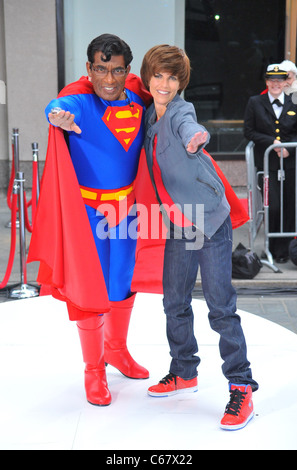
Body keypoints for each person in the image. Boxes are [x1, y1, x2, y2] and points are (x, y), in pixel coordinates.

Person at [28, 34, 152, 407]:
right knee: (90, 288)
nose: (109, 79)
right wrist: (55, 115)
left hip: (127, 212)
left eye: (116, 70)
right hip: (88, 214)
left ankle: (116, 349)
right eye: (101, 69)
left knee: (123, 282)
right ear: (89, 69)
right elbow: (56, 106)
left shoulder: (141, 101)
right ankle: (93, 369)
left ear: (127, 71)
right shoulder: (78, 103)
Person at [140, 44, 258, 431]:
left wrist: (197, 138)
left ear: (181, 82)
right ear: (148, 75)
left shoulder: (180, 111)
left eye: (172, 77)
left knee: (219, 305)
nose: (164, 83)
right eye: (158, 75)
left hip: (209, 218)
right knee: (174, 301)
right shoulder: (145, 116)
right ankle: (184, 371)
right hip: (178, 221)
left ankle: (241, 386)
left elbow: (191, 128)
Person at [244, 64, 297, 262]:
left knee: (290, 206)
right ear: (266, 82)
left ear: (286, 82)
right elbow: (249, 131)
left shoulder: (295, 101)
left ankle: (284, 251)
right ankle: (270, 246)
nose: (276, 84)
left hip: (291, 163)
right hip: (268, 165)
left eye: (280, 80)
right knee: (273, 206)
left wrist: (289, 147)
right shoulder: (255, 102)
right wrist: (272, 143)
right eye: (272, 80)